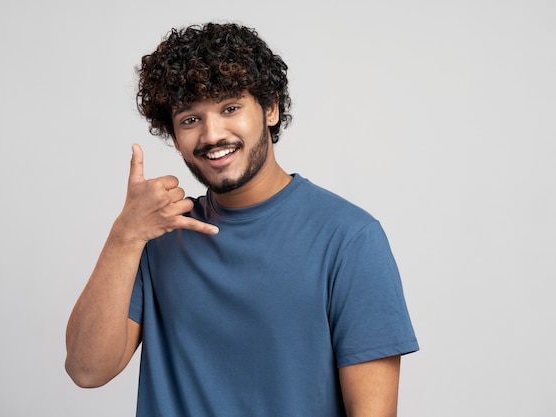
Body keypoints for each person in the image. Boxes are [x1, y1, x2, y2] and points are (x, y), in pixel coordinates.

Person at [65, 22, 419, 417]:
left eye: (230, 108)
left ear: (270, 108)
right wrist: (124, 236)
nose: (212, 134)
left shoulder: (350, 238)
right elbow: (86, 370)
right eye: (189, 119)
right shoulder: (157, 238)